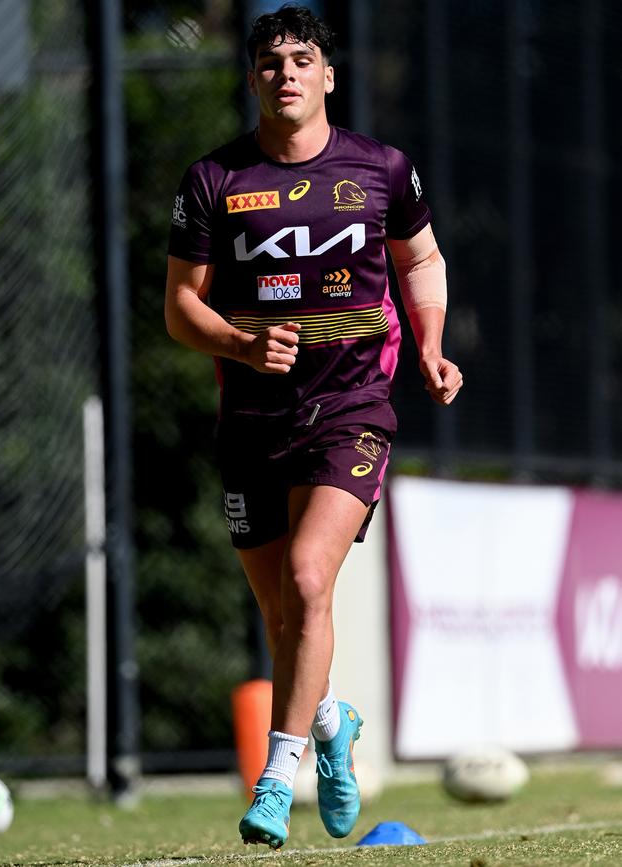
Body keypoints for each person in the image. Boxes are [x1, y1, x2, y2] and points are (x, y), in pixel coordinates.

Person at [165, 4, 463, 850]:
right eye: (268, 62)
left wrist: (433, 346)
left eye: (302, 59)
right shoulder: (212, 181)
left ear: (329, 74)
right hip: (251, 417)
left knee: (305, 579)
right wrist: (237, 339)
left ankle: (275, 777)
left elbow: (423, 258)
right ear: (252, 77)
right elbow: (181, 309)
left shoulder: (380, 169)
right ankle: (333, 722)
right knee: (281, 614)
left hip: (354, 406)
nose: (285, 73)